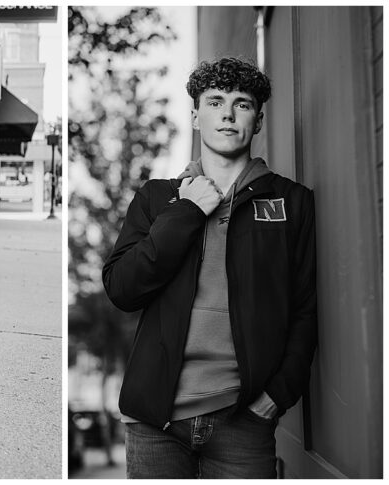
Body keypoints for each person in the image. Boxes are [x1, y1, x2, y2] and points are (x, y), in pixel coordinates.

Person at [102, 57, 317, 479]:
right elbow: (123, 289)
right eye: (215, 101)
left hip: (244, 420)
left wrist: (274, 398)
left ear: (257, 121)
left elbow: (305, 310)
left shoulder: (292, 203)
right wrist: (186, 211)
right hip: (155, 424)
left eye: (242, 104)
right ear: (197, 116)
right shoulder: (158, 198)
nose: (228, 113)